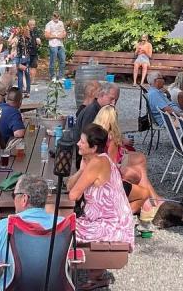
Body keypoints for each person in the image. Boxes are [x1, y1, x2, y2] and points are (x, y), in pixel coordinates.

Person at [69, 123, 135, 290]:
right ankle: (94, 276)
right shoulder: (100, 159)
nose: (78, 143)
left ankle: (58, 274)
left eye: (82, 142)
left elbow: (72, 195)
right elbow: (70, 186)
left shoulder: (97, 162)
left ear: (94, 147)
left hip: (112, 224)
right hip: (113, 220)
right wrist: (81, 170)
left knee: (60, 228)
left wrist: (84, 170)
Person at [0, 174, 55, 286]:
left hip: (15, 286)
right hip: (52, 286)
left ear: (24, 199)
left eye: (14, 195)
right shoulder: (61, 225)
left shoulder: (6, 225)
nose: (14, 199)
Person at [92, 105, 160, 213]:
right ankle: (149, 203)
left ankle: (151, 202)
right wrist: (125, 169)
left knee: (140, 163)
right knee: (138, 173)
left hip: (97, 170)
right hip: (108, 175)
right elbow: (112, 165)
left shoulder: (94, 133)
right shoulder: (111, 138)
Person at [44, 11, 67, 80]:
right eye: (55, 16)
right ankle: (52, 76)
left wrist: (57, 35)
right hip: (53, 45)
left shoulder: (61, 23)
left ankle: (61, 76)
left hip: (60, 44)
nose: (56, 17)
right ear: (52, 16)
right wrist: (57, 36)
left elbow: (64, 33)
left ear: (59, 16)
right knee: (53, 61)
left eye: (57, 16)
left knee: (62, 60)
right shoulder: (49, 24)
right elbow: (46, 35)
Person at [13, 26, 33, 95]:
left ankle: (28, 91)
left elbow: (30, 50)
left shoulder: (29, 39)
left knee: (27, 74)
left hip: (27, 58)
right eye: (27, 30)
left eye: (28, 31)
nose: (28, 32)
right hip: (19, 58)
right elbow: (12, 44)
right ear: (23, 31)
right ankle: (20, 92)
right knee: (20, 75)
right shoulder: (18, 38)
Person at [26, 18, 41, 85]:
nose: (32, 26)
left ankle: (33, 81)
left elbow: (38, 40)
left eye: (33, 25)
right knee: (27, 66)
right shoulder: (26, 31)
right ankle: (27, 80)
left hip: (34, 51)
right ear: (28, 24)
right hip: (27, 52)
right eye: (31, 24)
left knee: (34, 66)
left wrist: (39, 42)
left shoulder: (36, 31)